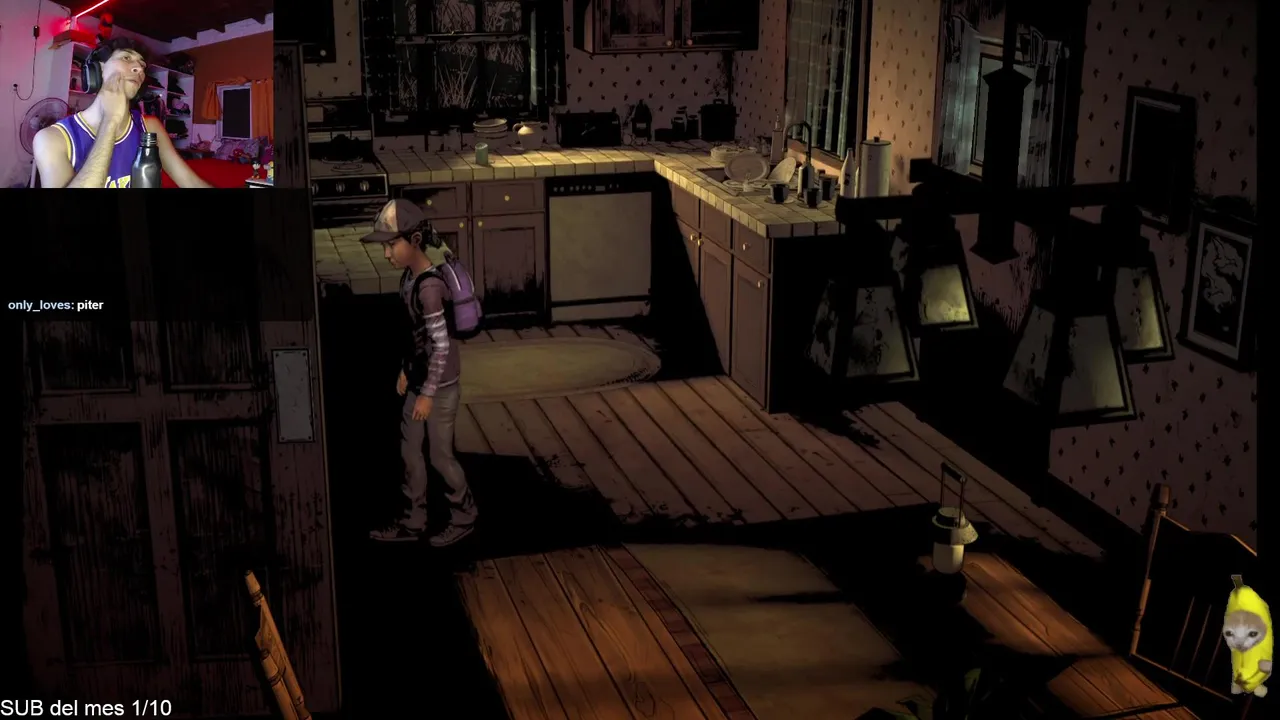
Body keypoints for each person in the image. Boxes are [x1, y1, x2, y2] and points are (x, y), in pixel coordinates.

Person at [362, 199, 478, 546]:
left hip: (439, 387)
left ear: (414, 240)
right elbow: (415, 337)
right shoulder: (409, 278)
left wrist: (427, 393)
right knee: (410, 453)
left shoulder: (429, 288)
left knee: (440, 456)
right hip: (418, 380)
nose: (386, 254)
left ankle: (465, 516)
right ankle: (413, 522)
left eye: (391, 244)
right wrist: (406, 369)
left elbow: (440, 346)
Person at [32, 37, 212, 188]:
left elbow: (189, 182)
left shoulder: (150, 127)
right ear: (99, 68)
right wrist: (110, 121)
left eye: (142, 65)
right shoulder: (51, 139)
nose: (139, 68)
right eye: (126, 58)